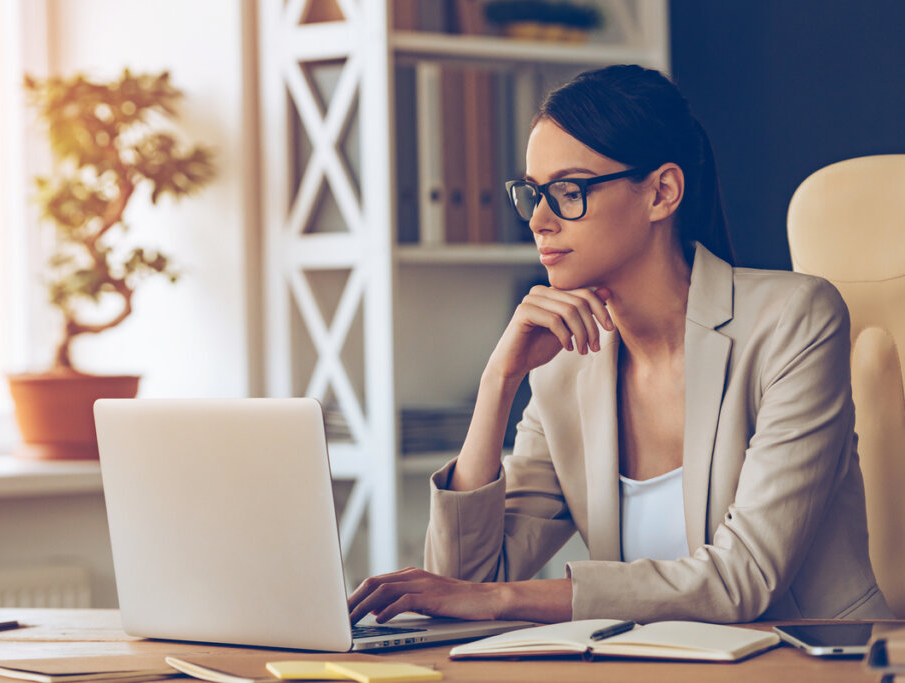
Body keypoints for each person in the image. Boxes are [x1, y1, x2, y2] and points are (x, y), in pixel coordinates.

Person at [348, 64, 892, 625]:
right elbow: (463, 582)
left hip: (812, 662)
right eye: (533, 194)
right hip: (646, 665)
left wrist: (509, 598)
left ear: (661, 192)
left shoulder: (793, 321)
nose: (538, 220)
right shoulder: (564, 368)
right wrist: (499, 382)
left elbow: (742, 578)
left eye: (567, 191)